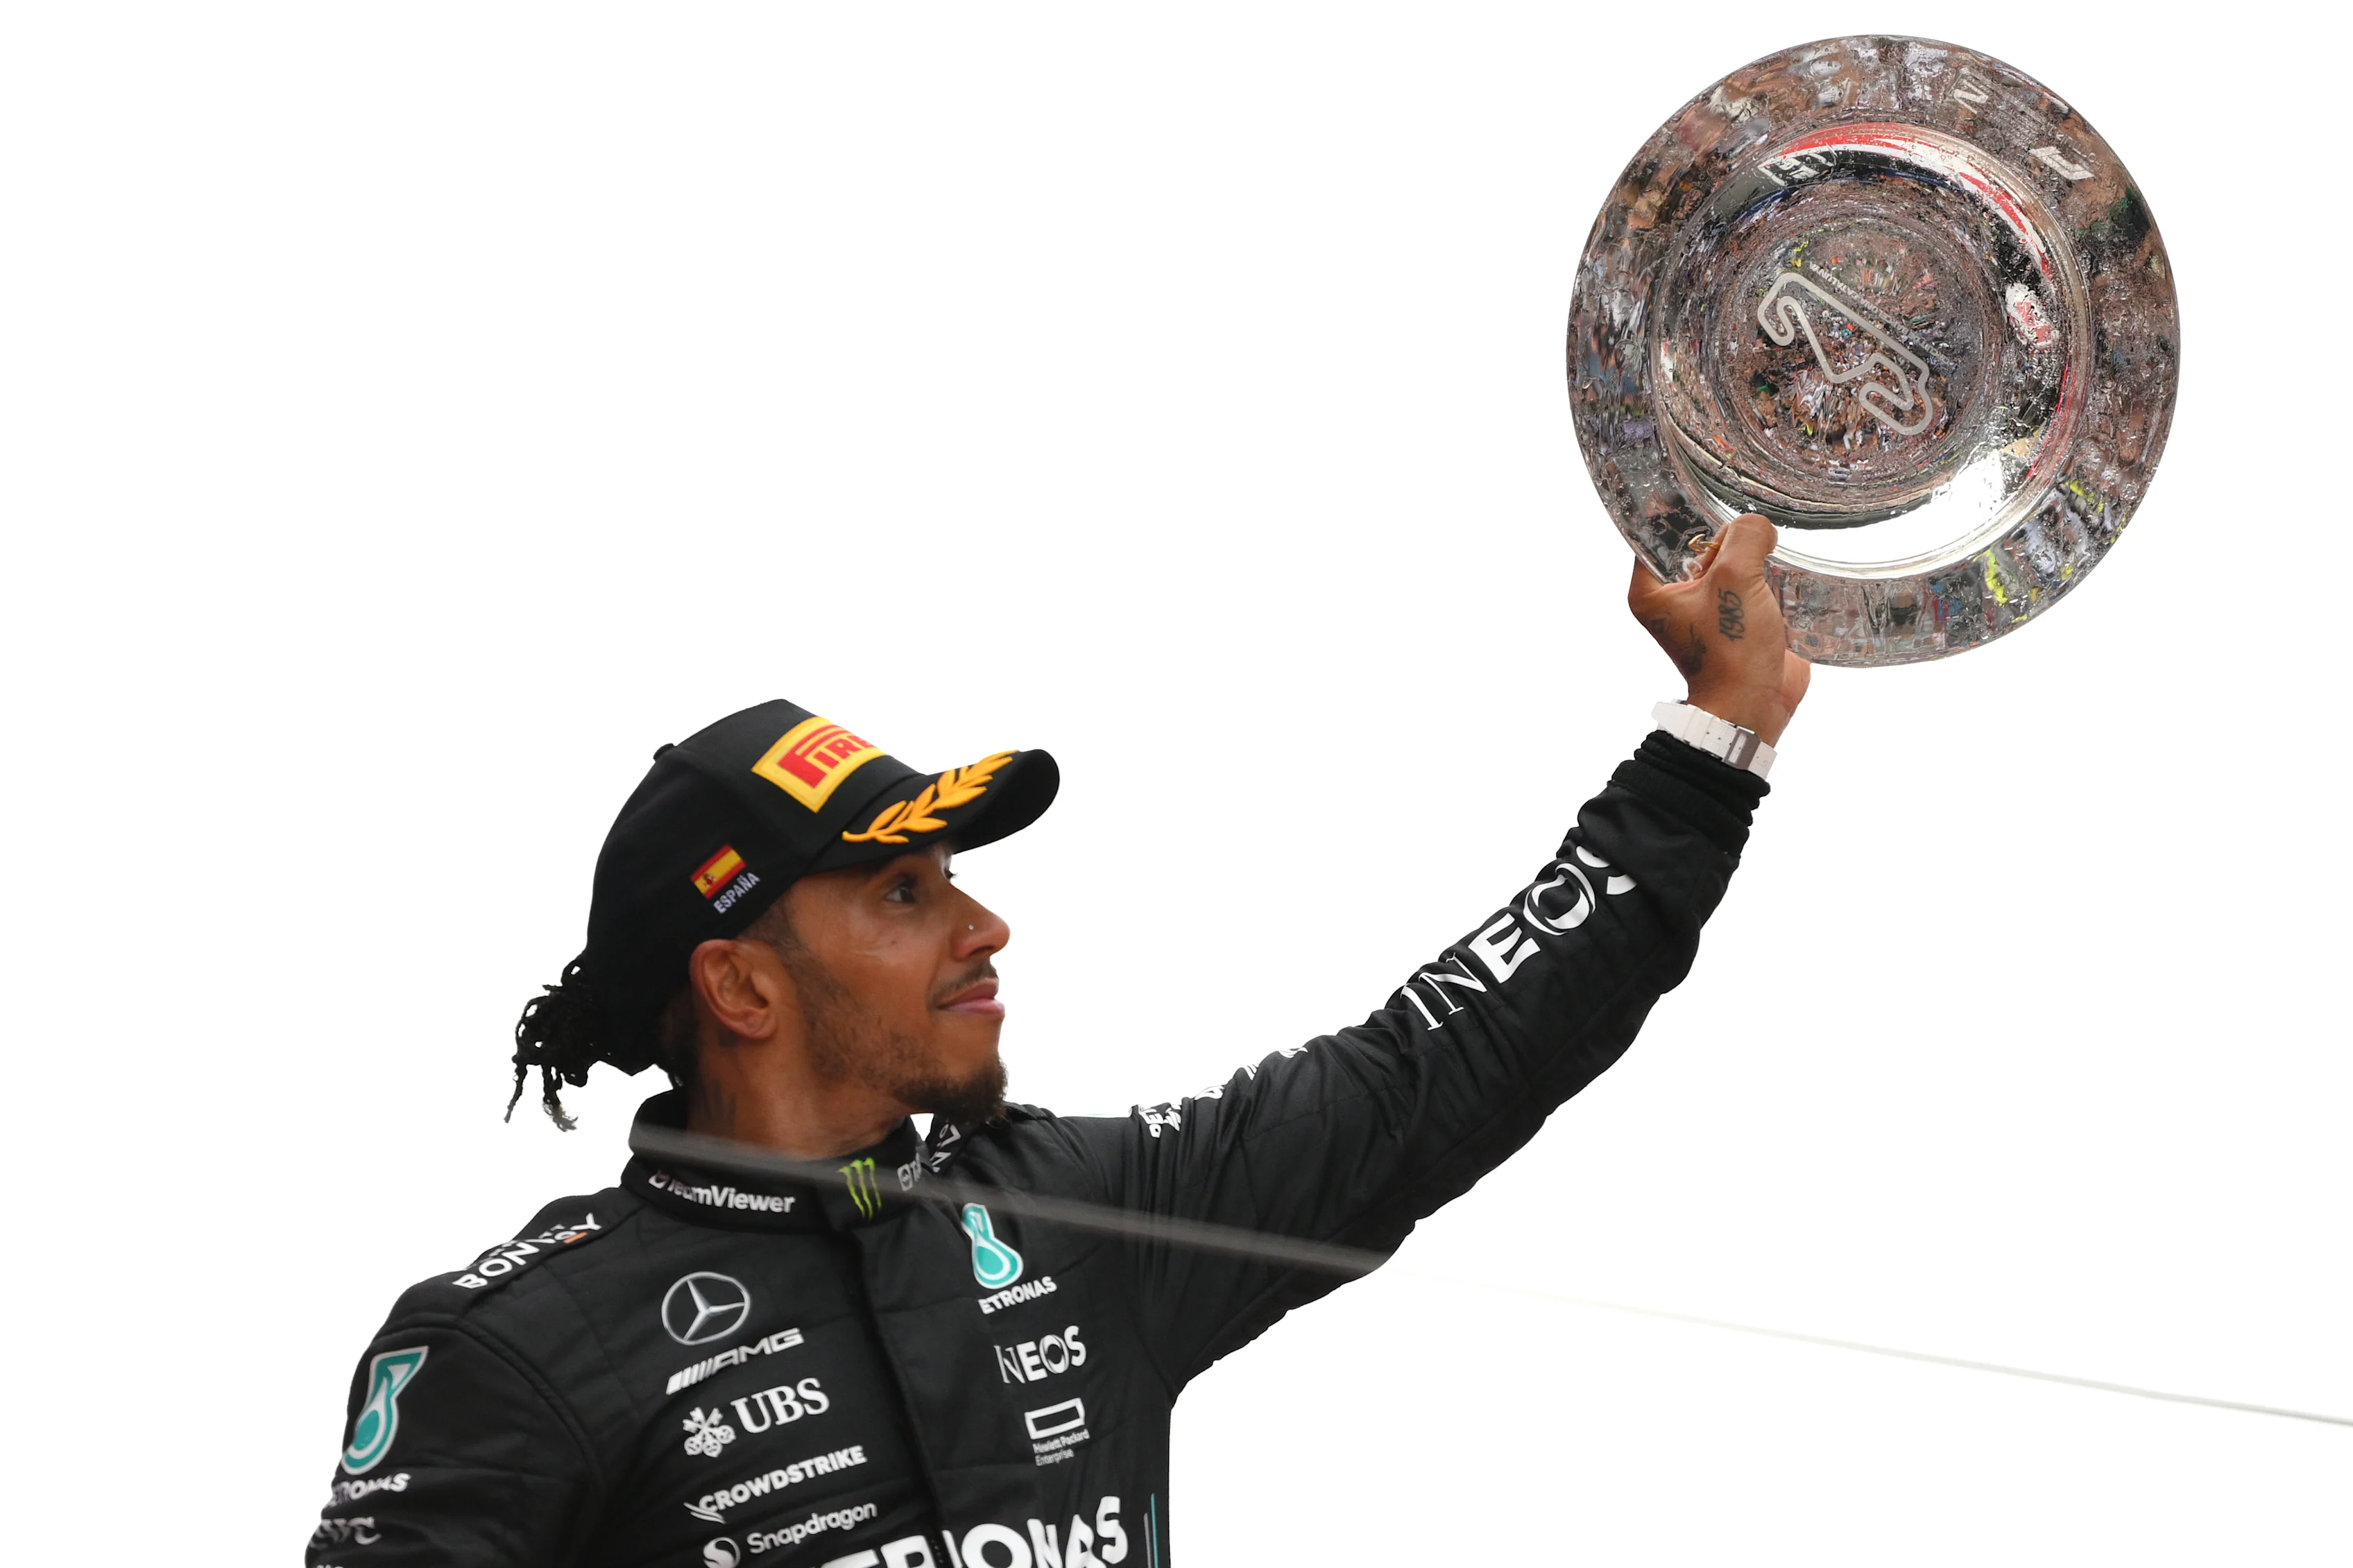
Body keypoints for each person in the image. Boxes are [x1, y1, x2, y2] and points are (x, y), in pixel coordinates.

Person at [308, 516, 1810, 1567]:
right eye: (904, 893)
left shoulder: (1076, 1218)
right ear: (742, 989)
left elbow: (1436, 1067)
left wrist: (1714, 739)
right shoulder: (509, 1348)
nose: (985, 927)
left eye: (952, 878)